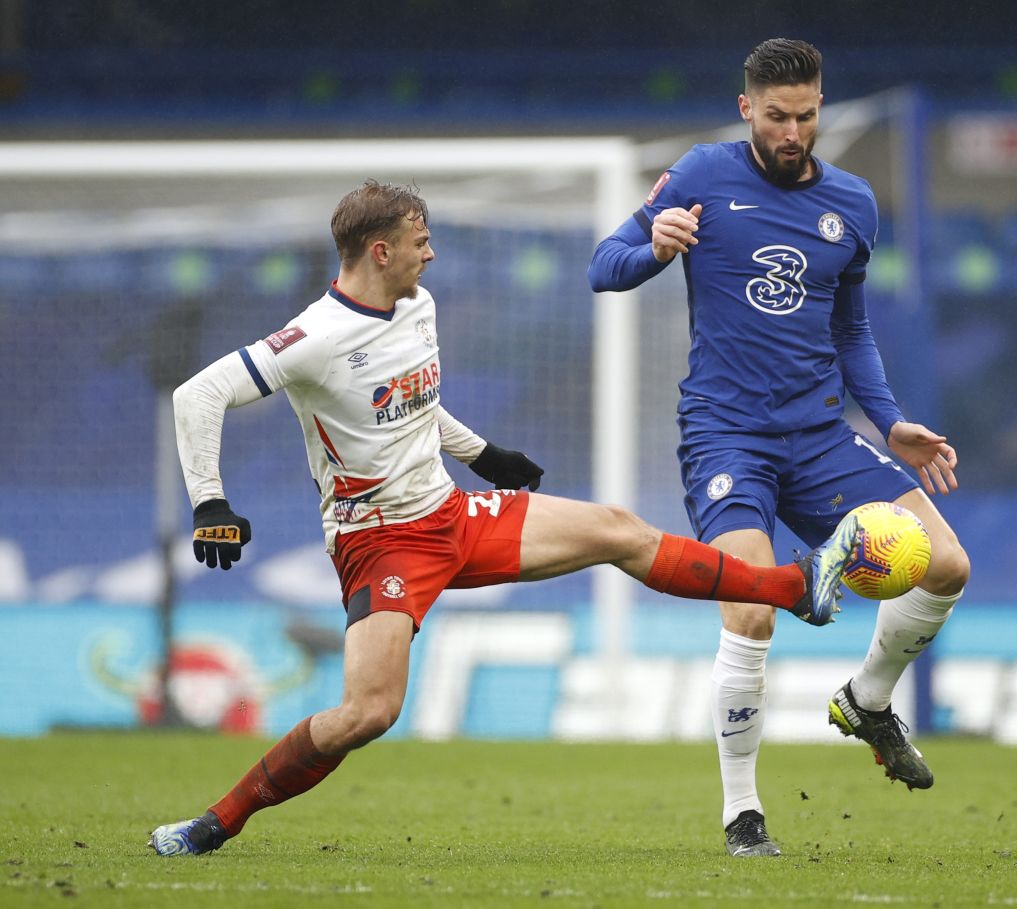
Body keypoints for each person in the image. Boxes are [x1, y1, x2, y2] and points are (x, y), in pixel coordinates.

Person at [148, 179, 862, 857]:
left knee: (617, 527)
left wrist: (482, 453)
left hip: (452, 514)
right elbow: (198, 395)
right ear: (380, 251)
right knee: (368, 712)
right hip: (382, 544)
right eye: (420, 241)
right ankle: (214, 823)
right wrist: (210, 499)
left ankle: (795, 588)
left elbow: (414, 404)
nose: (431, 253)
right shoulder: (314, 338)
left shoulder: (416, 305)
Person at [588, 38, 971, 858]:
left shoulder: (855, 205)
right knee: (753, 606)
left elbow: (852, 327)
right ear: (745, 109)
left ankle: (867, 702)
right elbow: (602, 265)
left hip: (820, 433)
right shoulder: (697, 175)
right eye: (776, 117)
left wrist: (891, 418)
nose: (792, 133)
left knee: (947, 564)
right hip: (726, 432)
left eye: (805, 116)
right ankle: (742, 813)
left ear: (819, 107)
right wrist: (654, 250)